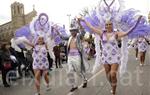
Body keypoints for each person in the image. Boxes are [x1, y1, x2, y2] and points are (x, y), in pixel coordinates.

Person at [79, 16, 142, 95]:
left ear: (112, 25)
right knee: (108, 76)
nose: (108, 26)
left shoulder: (116, 34)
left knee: (113, 74)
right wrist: (84, 20)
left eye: (110, 24)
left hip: (115, 57)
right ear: (105, 26)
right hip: (105, 58)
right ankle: (112, 85)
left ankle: (114, 91)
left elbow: (128, 32)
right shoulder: (102, 33)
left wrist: (137, 22)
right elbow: (91, 27)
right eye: (107, 24)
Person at [59, 19, 88, 92]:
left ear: (76, 31)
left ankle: (84, 79)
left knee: (78, 71)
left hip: (77, 56)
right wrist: (57, 32)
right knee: (70, 71)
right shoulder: (69, 38)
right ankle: (74, 85)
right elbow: (62, 37)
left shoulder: (78, 37)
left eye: (74, 30)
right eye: (71, 31)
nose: (72, 32)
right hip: (70, 57)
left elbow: (83, 32)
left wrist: (80, 24)